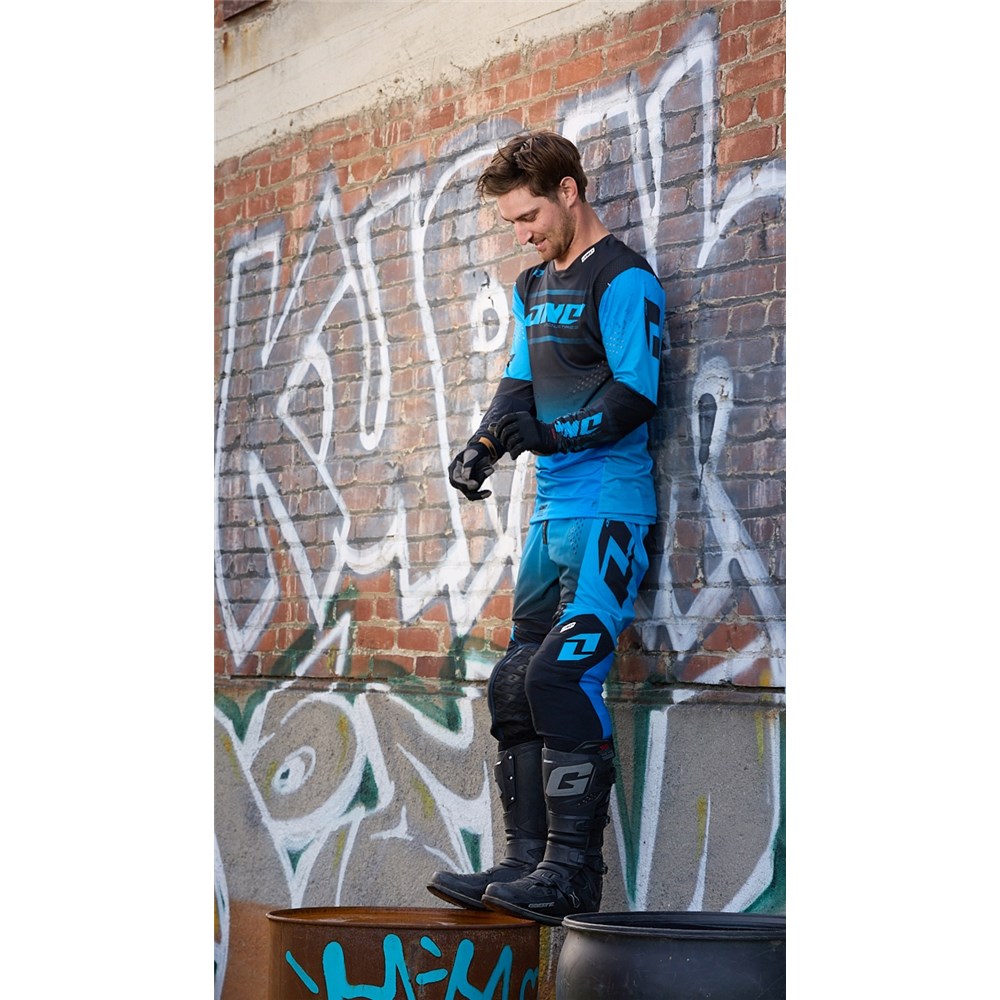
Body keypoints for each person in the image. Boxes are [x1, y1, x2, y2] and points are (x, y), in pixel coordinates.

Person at [427, 130, 666, 925]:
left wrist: (552, 438)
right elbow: (520, 383)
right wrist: (485, 444)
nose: (523, 234)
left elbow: (635, 394)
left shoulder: (624, 280)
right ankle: (522, 863)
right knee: (512, 680)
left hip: (609, 513)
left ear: (569, 191)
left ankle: (571, 874)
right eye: (512, 223)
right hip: (551, 516)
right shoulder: (534, 284)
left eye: (529, 216)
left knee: (559, 677)